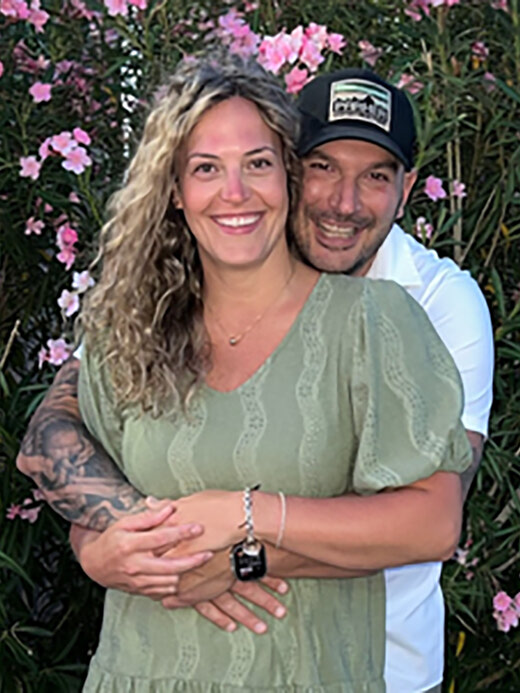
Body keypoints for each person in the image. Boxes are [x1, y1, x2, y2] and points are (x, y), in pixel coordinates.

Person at [15, 57, 483, 693]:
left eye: (257, 163)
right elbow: (75, 463)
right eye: (206, 168)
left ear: (285, 175)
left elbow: (431, 523)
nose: (234, 192)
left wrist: (244, 519)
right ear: (174, 189)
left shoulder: (378, 318)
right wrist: (93, 551)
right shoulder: (132, 325)